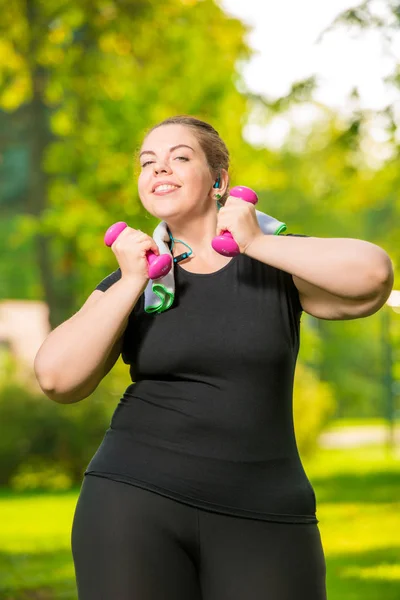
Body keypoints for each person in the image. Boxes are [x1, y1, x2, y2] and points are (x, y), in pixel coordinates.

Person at [34, 115, 394, 600]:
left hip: (267, 513)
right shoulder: (129, 282)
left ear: (219, 181)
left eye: (179, 157)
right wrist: (133, 280)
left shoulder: (274, 264)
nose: (160, 169)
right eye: (147, 163)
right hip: (134, 499)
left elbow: (373, 278)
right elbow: (57, 378)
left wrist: (259, 243)